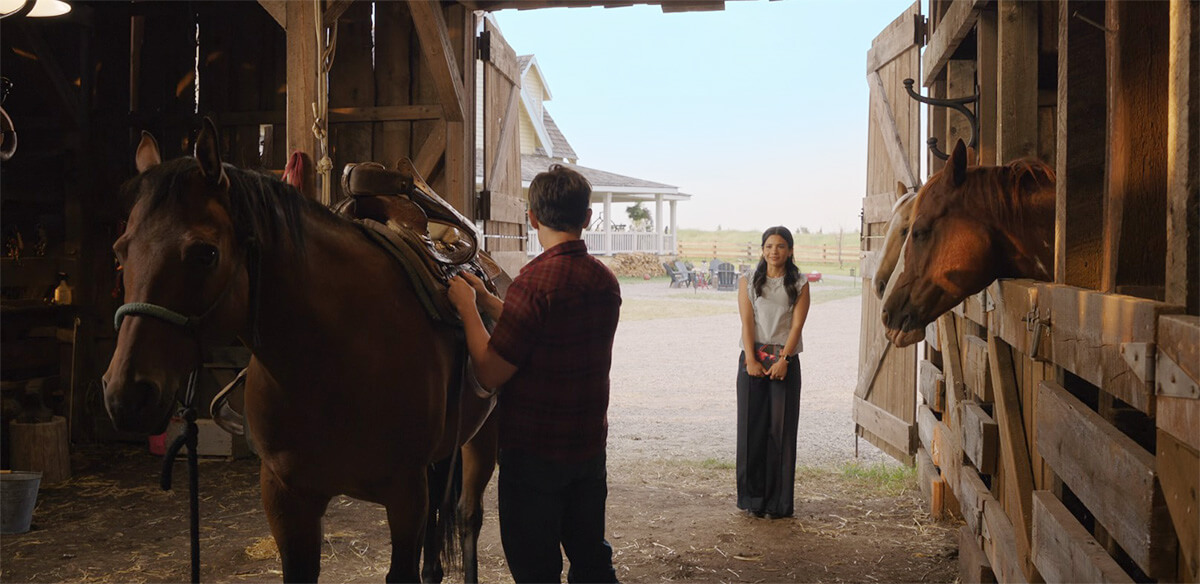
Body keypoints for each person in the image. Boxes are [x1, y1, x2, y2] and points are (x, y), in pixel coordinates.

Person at [446, 164, 622, 583]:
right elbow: (548, 331)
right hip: (586, 450)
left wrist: (469, 310)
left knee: (536, 571)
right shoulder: (605, 281)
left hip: (534, 456)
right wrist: (491, 302)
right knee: (591, 561)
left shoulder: (533, 282)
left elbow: (489, 372)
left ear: (531, 217)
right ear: (587, 217)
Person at [735, 226, 811, 519]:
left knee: (781, 431)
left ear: (790, 251)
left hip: (784, 360)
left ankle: (778, 503)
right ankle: (752, 499)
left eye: (780, 246)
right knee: (751, 428)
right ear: (762, 250)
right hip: (753, 358)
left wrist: (785, 360)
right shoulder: (749, 281)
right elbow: (747, 322)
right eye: (768, 246)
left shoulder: (800, 283)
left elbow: (796, 326)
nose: (774, 251)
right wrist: (751, 360)